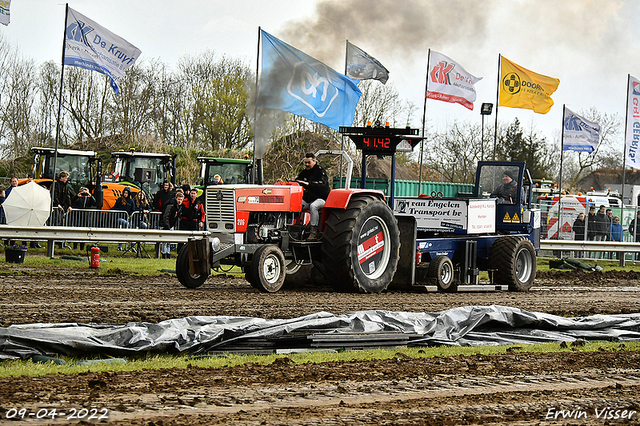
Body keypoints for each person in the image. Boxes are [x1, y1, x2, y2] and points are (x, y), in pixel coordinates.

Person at [295, 153, 330, 240]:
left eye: (308, 162)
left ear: (314, 161)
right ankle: (294, 228)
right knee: (296, 205)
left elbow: (322, 184)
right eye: (305, 163)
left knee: (313, 206)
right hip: (309, 198)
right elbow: (297, 181)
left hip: (321, 198)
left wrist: (309, 184)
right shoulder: (304, 172)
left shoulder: (320, 171)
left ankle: (314, 232)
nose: (306, 164)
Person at [160, 190, 185, 259]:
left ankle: (168, 253)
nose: (180, 201)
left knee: (169, 241)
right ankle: (164, 253)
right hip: (166, 224)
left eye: (181, 199)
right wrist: (167, 226)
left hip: (171, 224)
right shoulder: (171, 205)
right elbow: (166, 216)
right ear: (176, 198)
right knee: (165, 241)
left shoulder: (179, 206)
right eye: (179, 199)